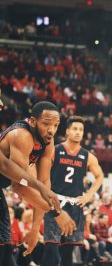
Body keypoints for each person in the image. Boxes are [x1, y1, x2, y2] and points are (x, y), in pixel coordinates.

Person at [0, 101, 76, 265]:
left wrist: (35, 229)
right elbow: (19, 186)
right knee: (3, 247)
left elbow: (44, 185)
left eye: (56, 125)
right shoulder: (22, 136)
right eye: (46, 124)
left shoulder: (47, 141)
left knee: (6, 247)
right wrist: (56, 213)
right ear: (33, 121)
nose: (51, 130)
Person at [41, 116, 104, 266]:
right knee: (51, 247)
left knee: (68, 251)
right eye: (75, 129)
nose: (78, 132)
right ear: (67, 131)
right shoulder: (55, 150)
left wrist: (89, 195)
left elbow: (100, 176)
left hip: (75, 205)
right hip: (55, 202)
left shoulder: (88, 156)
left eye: (81, 130)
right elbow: (43, 176)